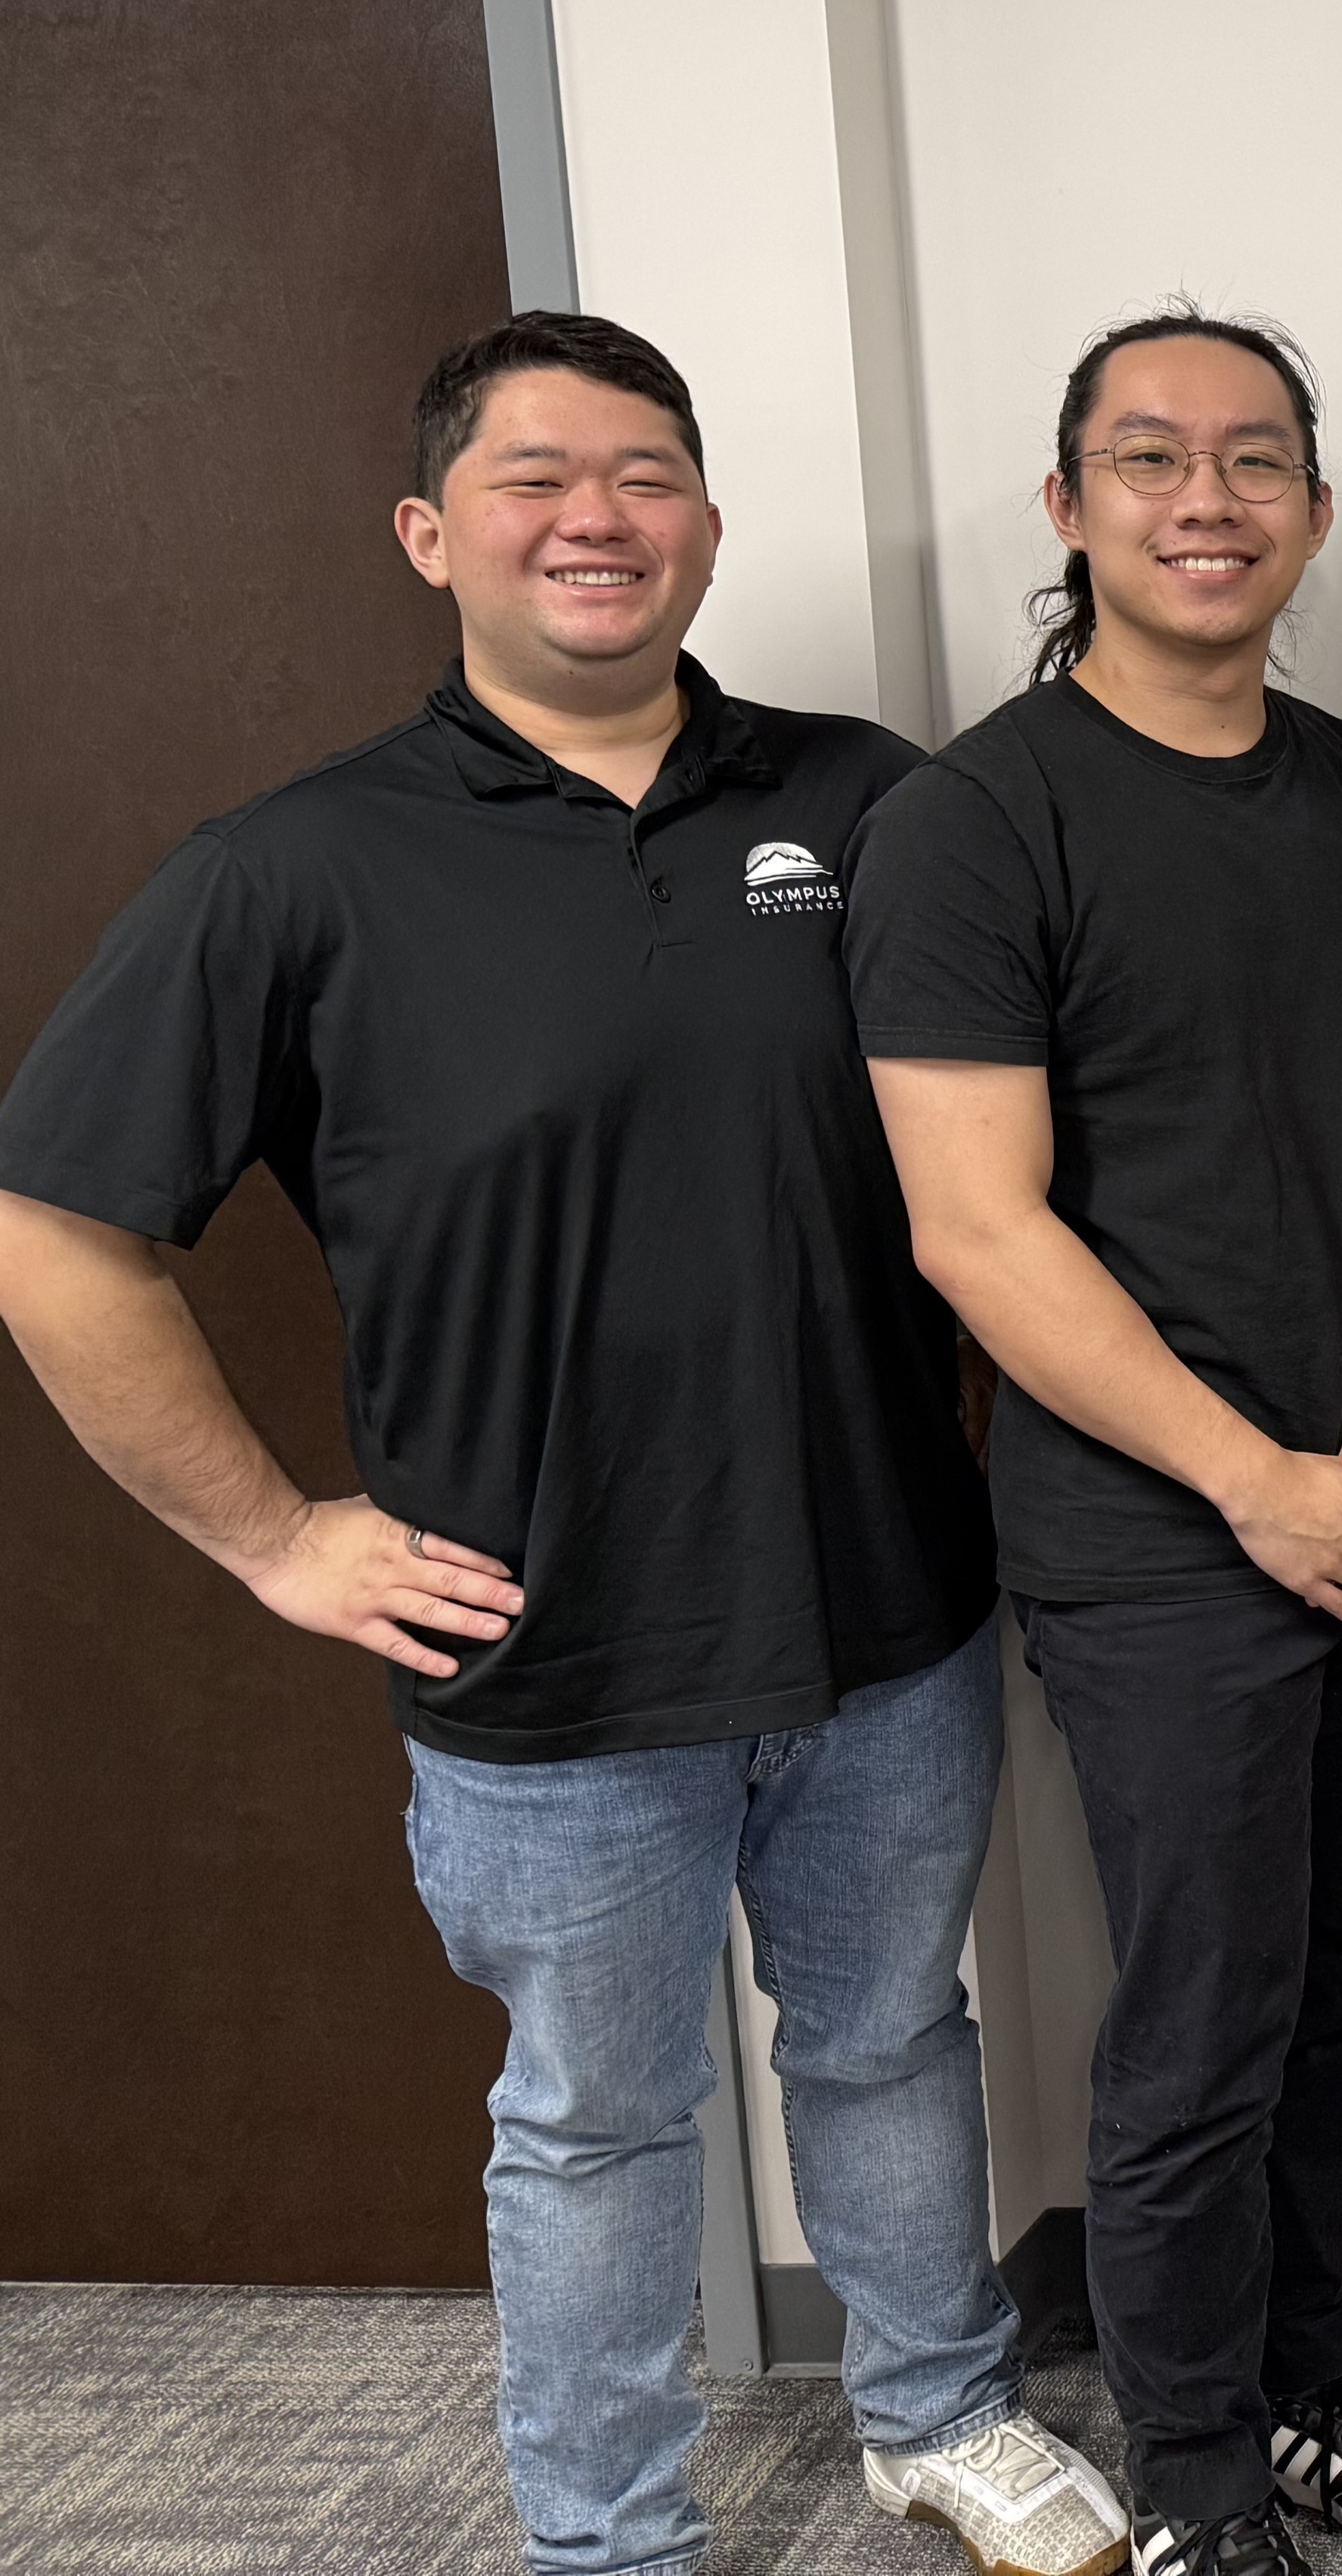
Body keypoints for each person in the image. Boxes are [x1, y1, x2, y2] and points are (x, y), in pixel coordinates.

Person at [0, 315, 1123, 2576]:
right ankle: (610, 2534)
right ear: (433, 533)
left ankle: (935, 2409)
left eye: (643, 475)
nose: (595, 518)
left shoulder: (873, 804)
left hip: (888, 1605)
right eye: (535, 477)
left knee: (893, 2042)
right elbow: (57, 1234)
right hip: (545, 1651)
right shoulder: (294, 869)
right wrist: (276, 1539)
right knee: (599, 2120)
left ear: (706, 524)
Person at [853, 310, 1342, 2576]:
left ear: (1315, 514)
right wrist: (1253, 1480)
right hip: (1163, 1531)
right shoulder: (972, 822)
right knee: (1205, 2020)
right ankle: (1199, 2486)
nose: (1204, 499)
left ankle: (1302, 2381)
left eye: (1252, 461)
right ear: (1069, 505)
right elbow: (976, 1228)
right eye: (1149, 458)